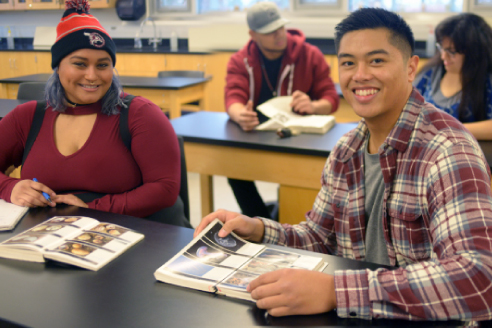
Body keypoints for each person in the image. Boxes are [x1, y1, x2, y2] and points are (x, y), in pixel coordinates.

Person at [195, 8, 492, 321]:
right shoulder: (346, 151)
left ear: (410, 68)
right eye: (348, 62)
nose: (360, 74)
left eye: (376, 60)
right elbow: (319, 237)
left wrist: (335, 291)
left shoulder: (448, 151)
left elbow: (478, 278)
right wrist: (256, 228)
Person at [0, 0, 189, 227]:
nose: (92, 76)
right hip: (53, 236)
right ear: (58, 67)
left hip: (137, 233)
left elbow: (164, 189)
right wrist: (9, 187)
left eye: (102, 65)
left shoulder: (140, 115)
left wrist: (91, 209)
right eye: (80, 64)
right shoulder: (28, 117)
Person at [225, 1, 340, 219]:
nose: (279, 35)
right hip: (256, 134)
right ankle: (261, 222)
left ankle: (294, 221)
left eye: (280, 27)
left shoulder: (310, 55)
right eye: (270, 32)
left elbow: (331, 98)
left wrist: (314, 106)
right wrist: (240, 114)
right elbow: (232, 97)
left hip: (297, 135)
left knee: (296, 175)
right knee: (234, 167)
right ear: (253, 34)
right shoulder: (240, 60)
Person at [414, 13, 492, 140]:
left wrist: (445, 128)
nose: (444, 56)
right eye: (442, 48)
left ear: (475, 53)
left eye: (452, 51)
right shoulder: (430, 75)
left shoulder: (487, 82)